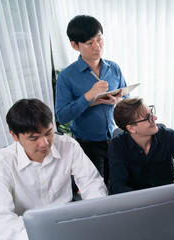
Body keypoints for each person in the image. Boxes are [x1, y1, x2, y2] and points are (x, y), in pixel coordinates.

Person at [0, 99, 107, 240]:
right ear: (14, 135)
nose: (44, 143)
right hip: (27, 233)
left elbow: (92, 184)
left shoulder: (68, 146)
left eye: (48, 133)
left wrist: (98, 215)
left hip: (67, 225)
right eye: (33, 138)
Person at [55, 15, 127, 185]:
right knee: (96, 192)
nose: (97, 47)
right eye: (89, 43)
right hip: (87, 146)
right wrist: (88, 96)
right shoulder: (66, 76)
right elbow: (62, 116)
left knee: (117, 186)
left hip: (115, 141)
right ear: (75, 45)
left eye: (99, 39)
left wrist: (117, 101)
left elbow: (126, 97)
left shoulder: (113, 67)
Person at [108, 97, 174, 194]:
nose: (154, 118)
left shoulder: (170, 136)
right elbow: (118, 185)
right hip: (136, 200)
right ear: (131, 128)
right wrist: (140, 201)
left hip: (167, 195)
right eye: (147, 117)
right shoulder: (117, 145)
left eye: (151, 112)